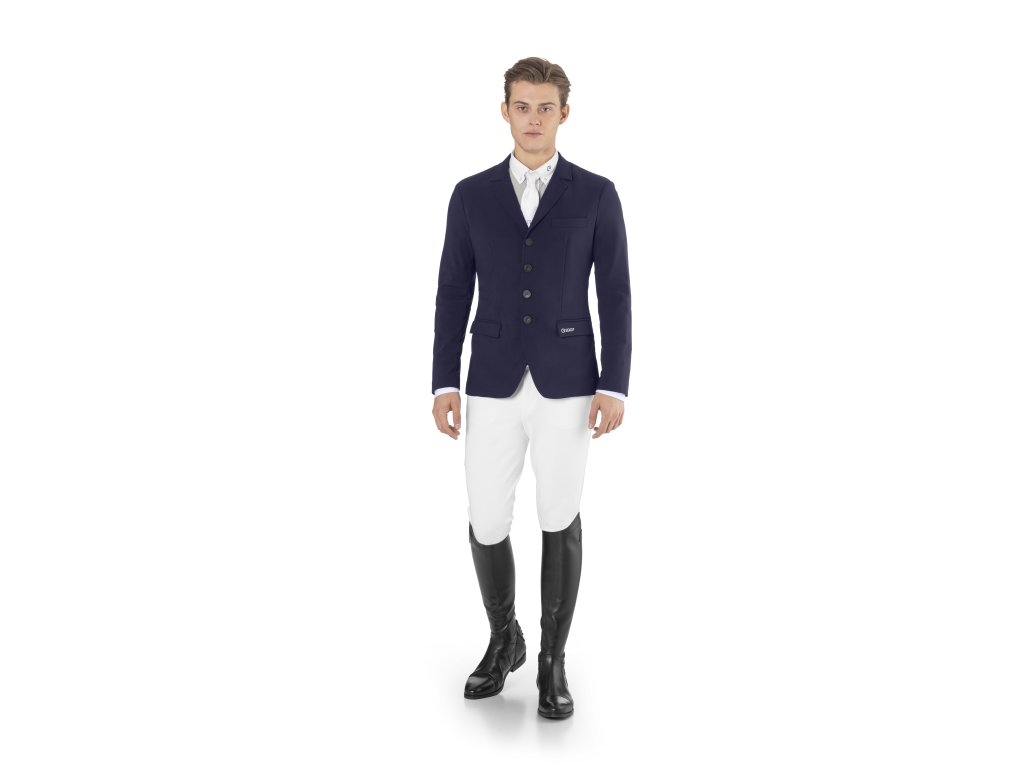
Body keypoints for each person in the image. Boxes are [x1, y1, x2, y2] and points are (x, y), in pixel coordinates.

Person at [430, 56, 632, 719]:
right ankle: (505, 639)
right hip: (489, 378)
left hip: (569, 383)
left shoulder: (596, 194)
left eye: (546, 108)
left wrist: (615, 384)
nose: (534, 119)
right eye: (523, 106)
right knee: (487, 516)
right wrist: (443, 380)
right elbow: (452, 290)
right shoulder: (471, 195)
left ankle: (552, 662)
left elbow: (616, 294)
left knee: (558, 514)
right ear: (505, 111)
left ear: (564, 113)